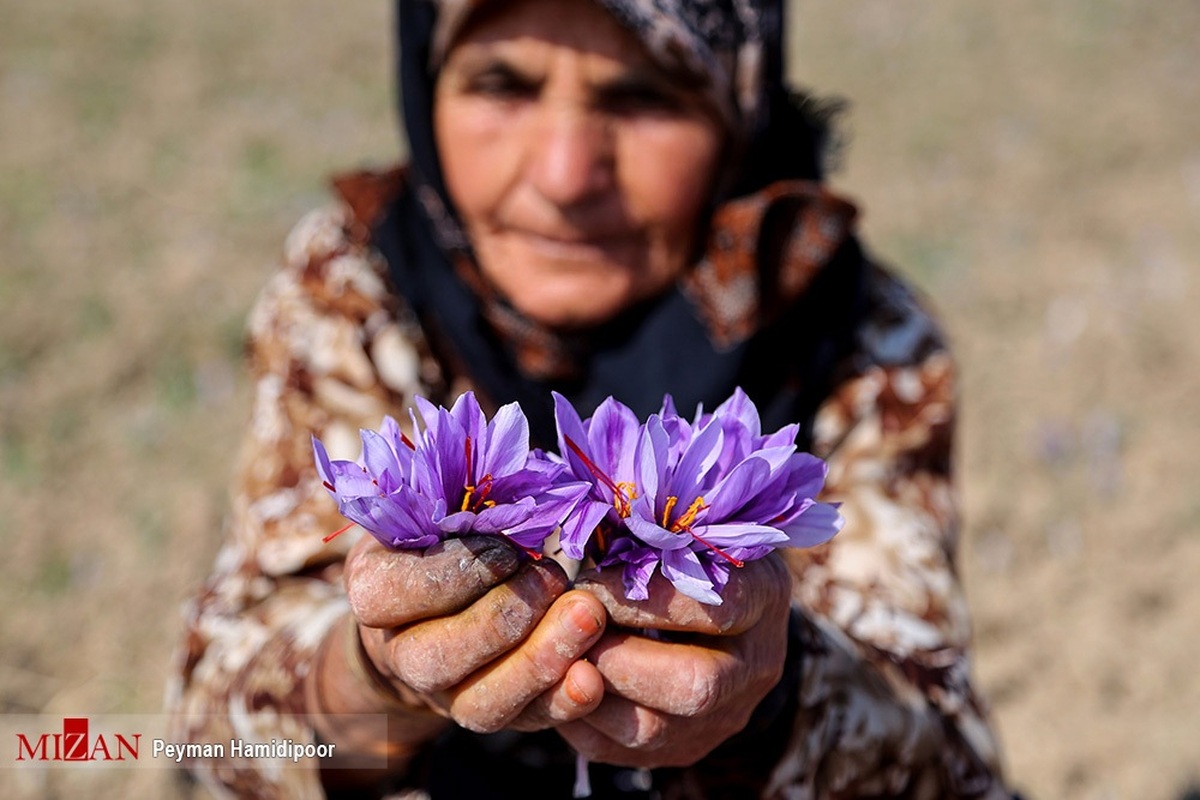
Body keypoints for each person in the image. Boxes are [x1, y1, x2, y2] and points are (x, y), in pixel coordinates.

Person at [166, 0, 1015, 797]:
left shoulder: (855, 332)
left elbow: (946, 763)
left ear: (739, 113)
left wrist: (773, 700)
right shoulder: (358, 290)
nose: (566, 175)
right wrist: (371, 681)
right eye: (503, 84)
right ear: (428, 83)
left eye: (644, 96)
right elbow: (210, 732)